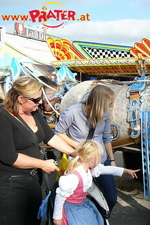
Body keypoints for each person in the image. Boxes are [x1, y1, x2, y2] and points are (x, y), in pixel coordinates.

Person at [0, 75, 76, 225]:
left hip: (34, 180)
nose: (40, 102)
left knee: (34, 221)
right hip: (10, 184)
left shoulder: (34, 113)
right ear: (20, 99)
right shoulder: (3, 117)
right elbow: (10, 157)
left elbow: (50, 137)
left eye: (40, 98)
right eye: (35, 100)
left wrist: (75, 153)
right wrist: (42, 164)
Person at [54, 84, 118, 212]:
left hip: (100, 160)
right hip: (80, 162)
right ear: (99, 103)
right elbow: (58, 133)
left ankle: (101, 216)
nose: (110, 107)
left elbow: (107, 137)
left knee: (111, 198)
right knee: (79, 197)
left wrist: (112, 160)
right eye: (109, 103)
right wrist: (78, 147)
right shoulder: (72, 112)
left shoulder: (104, 114)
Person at [53, 140, 139, 225]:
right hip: (71, 209)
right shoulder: (74, 177)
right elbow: (60, 197)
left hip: (80, 204)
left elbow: (105, 169)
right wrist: (57, 218)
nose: (101, 160)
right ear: (93, 159)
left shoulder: (88, 168)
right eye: (100, 157)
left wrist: (125, 171)